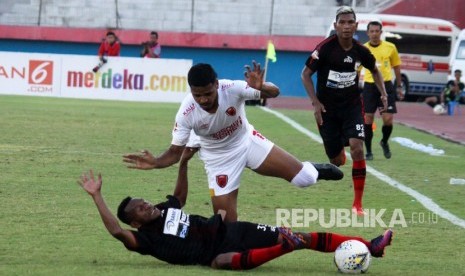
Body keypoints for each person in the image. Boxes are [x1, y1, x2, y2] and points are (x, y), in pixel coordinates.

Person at [77, 150, 393, 270]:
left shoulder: (163, 209)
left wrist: (184, 163)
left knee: (301, 236)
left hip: (231, 230)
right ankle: (283, 248)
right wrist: (97, 197)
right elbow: (117, 232)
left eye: (144, 202)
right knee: (223, 262)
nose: (146, 206)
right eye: (140, 209)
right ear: (136, 221)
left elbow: (179, 197)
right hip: (214, 254)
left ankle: (370, 246)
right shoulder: (145, 240)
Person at [124, 61, 343, 223]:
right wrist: (156, 163)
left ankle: (312, 168)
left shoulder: (232, 88)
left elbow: (275, 93)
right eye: (197, 95)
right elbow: (174, 152)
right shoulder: (186, 112)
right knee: (226, 225)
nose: (203, 100)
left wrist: (262, 87)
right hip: (218, 160)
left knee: (304, 179)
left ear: (216, 85)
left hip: (247, 142)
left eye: (207, 93)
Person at [300, 6, 388, 215]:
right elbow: (305, 74)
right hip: (327, 110)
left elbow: (375, 71)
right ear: (336, 25)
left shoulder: (361, 51)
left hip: (352, 107)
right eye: (343, 22)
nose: (347, 26)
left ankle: (357, 204)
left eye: (350, 22)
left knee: (358, 147)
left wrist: (383, 93)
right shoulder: (324, 49)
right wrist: (315, 103)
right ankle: (341, 142)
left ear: (356, 26)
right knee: (337, 161)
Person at [362, 21, 403, 160]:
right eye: (371, 31)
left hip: (386, 85)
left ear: (381, 32)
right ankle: (368, 151)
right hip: (369, 86)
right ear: (367, 33)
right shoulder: (363, 49)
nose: (374, 34)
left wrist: (399, 85)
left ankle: (384, 141)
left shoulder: (390, 47)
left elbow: (396, 66)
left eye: (376, 31)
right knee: (368, 119)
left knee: (388, 119)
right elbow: (355, 69)